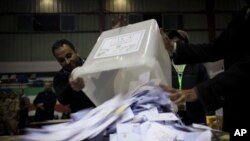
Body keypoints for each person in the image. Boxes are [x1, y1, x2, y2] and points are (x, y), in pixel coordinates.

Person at [160, 0, 250, 134]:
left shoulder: (198, 68)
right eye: (174, 41)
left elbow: (246, 69)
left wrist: (198, 92)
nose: (176, 41)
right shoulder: (243, 14)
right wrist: (172, 47)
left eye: (179, 41)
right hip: (233, 106)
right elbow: (215, 48)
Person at [167, 30, 210, 125]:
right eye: (172, 40)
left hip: (196, 119)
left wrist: (210, 117)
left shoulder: (198, 66)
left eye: (178, 41)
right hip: (172, 119)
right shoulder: (165, 65)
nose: (174, 42)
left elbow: (207, 91)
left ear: (185, 44)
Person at [52, 39, 95, 113]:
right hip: (81, 117)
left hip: (103, 111)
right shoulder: (59, 77)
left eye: (69, 56)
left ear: (76, 52)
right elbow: (63, 101)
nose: (67, 62)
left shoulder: (92, 64)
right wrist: (71, 87)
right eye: (62, 60)